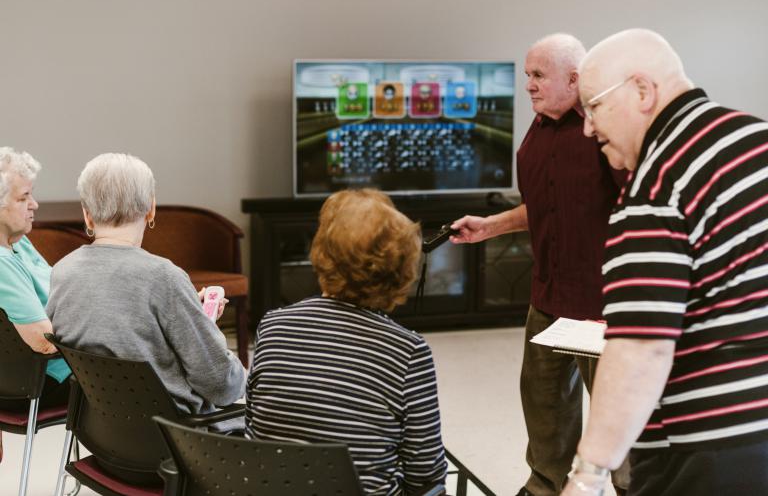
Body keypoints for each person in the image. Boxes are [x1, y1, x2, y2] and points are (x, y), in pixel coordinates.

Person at [562, 28, 768, 496]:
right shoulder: (756, 139)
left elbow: (641, 348)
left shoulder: (657, 190)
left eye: (593, 107)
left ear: (642, 91)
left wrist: (588, 474)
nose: (589, 128)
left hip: (709, 450)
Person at [449, 34, 627, 496]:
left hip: (603, 304)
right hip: (547, 297)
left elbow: (641, 207)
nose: (528, 84)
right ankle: (547, 485)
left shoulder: (604, 127)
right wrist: (492, 226)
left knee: (618, 420)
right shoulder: (538, 128)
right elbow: (547, 206)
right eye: (526, 74)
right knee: (545, 408)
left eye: (538, 75)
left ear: (574, 78)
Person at [47, 153, 246, 481]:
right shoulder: (164, 278)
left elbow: (118, 336)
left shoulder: (62, 272)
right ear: (151, 208)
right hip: (175, 453)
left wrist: (192, 320)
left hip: (103, 445)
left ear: (87, 215)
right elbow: (220, 385)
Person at [245, 188, 447, 495]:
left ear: (323, 252)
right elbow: (425, 474)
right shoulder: (407, 352)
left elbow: (255, 430)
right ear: (404, 267)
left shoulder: (273, 325)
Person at [0, 147, 71, 463]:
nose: (34, 204)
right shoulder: (2, 262)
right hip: (37, 382)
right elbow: (44, 342)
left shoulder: (17, 241)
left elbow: (59, 290)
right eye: (23, 197)